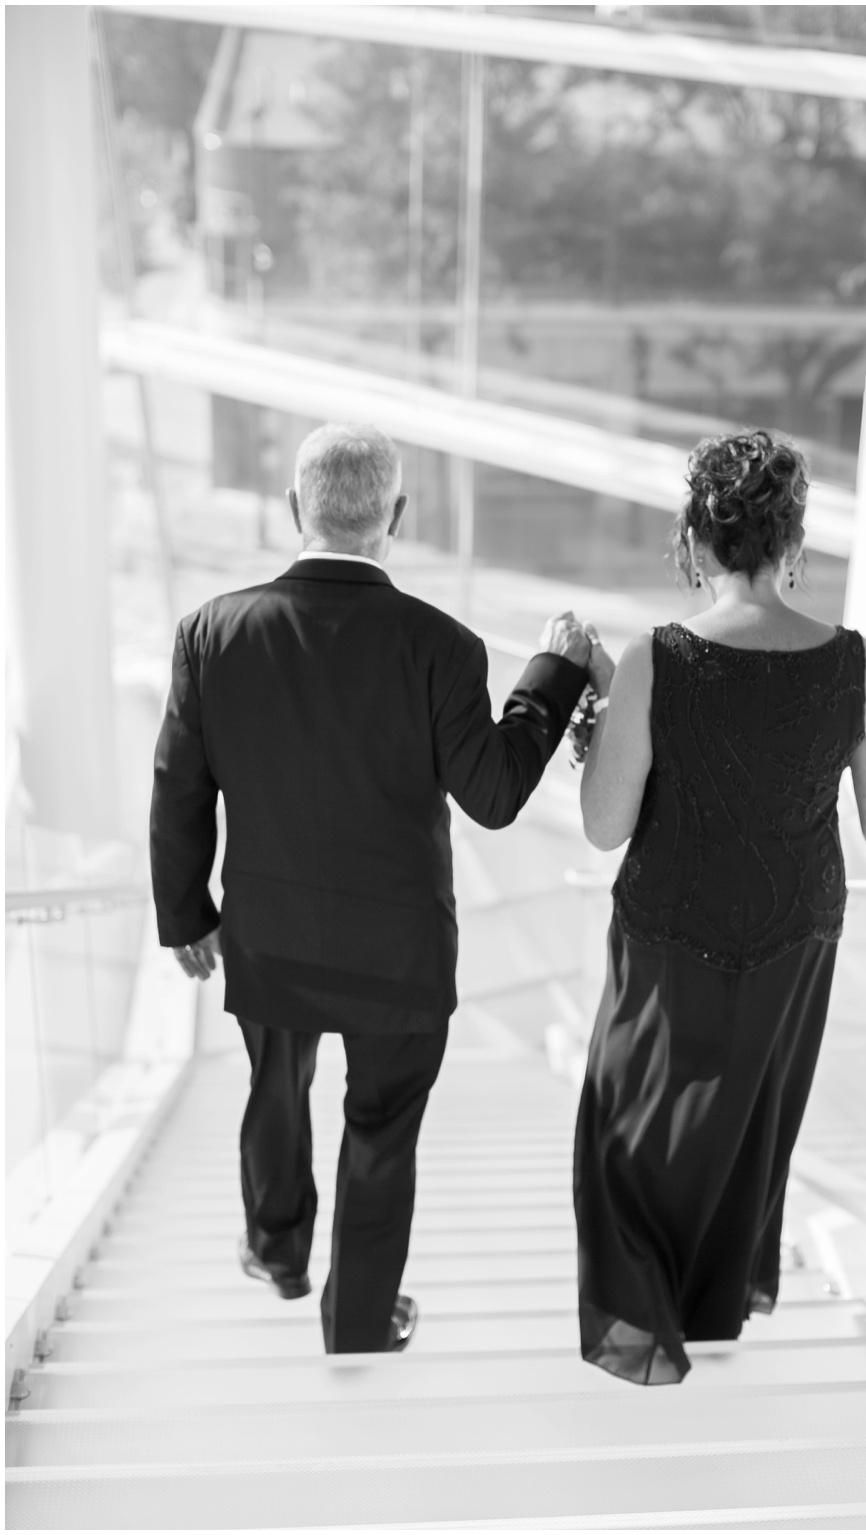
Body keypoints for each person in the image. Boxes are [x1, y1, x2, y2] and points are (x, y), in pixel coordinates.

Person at [150, 421, 591, 1354]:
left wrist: (186, 913)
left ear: (292, 509)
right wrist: (553, 674)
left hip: (268, 933)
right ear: (397, 514)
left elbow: (179, 787)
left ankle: (276, 1248)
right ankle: (355, 1322)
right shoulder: (443, 645)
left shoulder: (212, 632)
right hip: (400, 951)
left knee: (278, 1083)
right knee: (381, 1130)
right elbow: (498, 792)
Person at [574, 428, 866, 1384]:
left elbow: (607, 825)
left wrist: (594, 738)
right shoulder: (857, 662)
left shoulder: (657, 657)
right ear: (793, 543)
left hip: (670, 924)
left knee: (630, 1126)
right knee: (744, 1129)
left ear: (695, 536)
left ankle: (647, 1329)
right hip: (792, 931)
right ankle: (709, 1312)